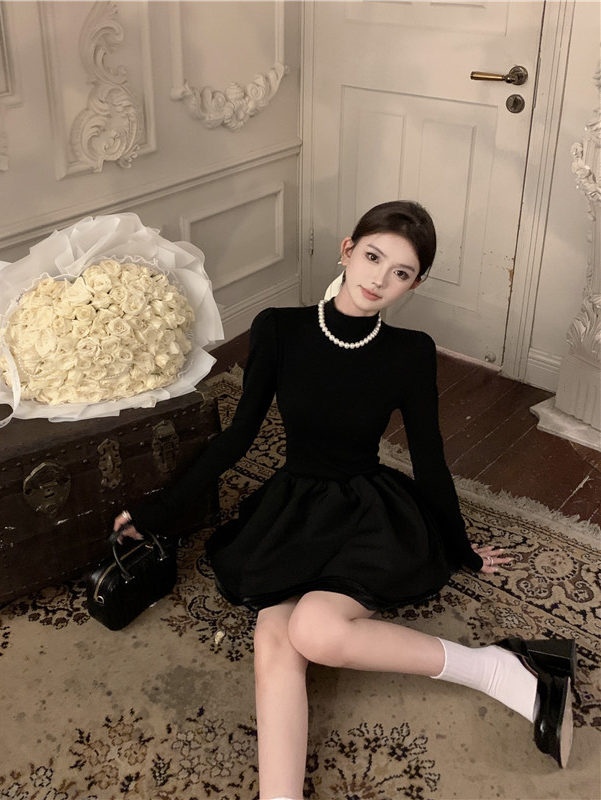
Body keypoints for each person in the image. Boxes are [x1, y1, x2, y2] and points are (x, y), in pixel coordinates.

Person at [115, 201, 576, 799]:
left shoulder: (410, 352)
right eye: (373, 256)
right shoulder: (279, 329)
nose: (380, 279)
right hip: (293, 510)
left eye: (401, 272)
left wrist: (460, 548)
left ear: (415, 284)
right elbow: (236, 437)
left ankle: (496, 668)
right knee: (274, 637)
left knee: (313, 629)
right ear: (347, 250)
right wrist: (157, 513)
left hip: (367, 512)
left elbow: (430, 460)